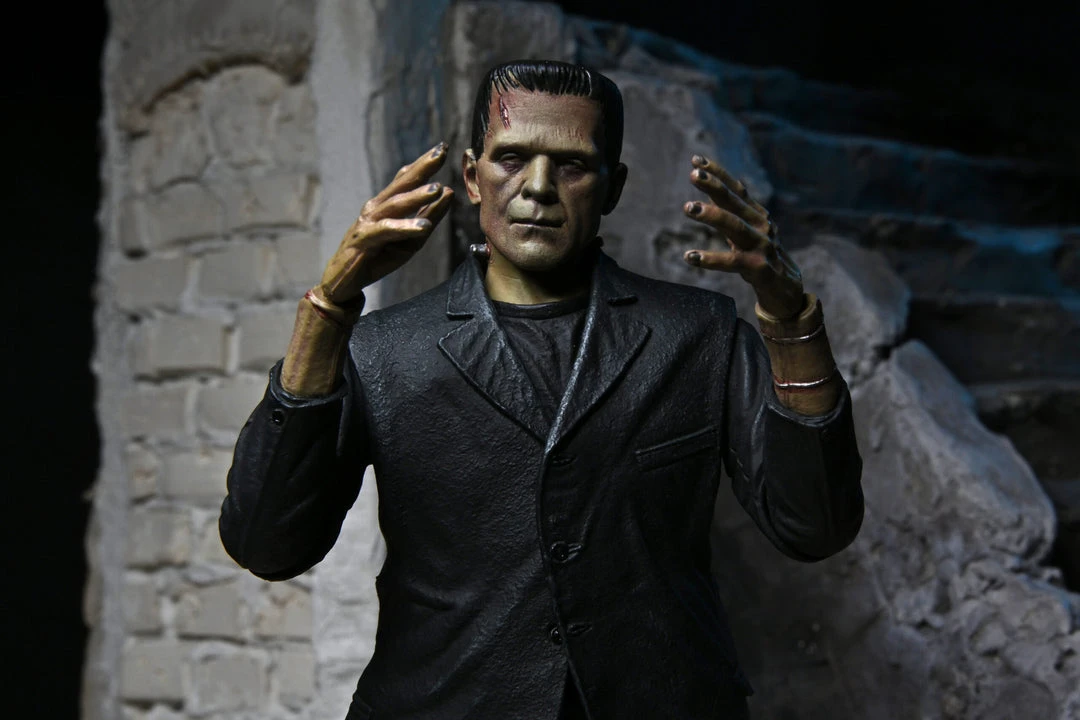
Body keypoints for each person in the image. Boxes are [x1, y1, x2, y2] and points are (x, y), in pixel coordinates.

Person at [219, 60, 863, 720]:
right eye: (511, 158)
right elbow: (266, 545)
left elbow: (814, 527)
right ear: (473, 177)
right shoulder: (383, 350)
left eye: (572, 165)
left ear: (612, 187)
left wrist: (792, 323)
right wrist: (327, 310)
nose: (537, 188)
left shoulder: (699, 335)